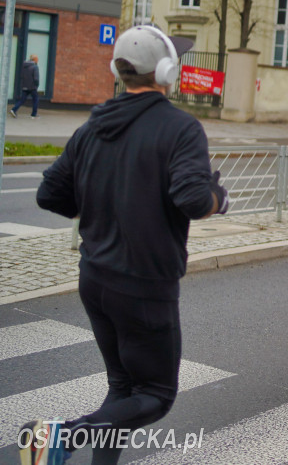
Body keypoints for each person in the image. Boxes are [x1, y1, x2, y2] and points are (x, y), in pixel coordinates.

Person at [25, 25, 229, 465]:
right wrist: (218, 196)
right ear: (166, 71)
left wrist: (95, 207)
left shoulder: (93, 125)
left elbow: (49, 195)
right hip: (144, 285)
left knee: (122, 389)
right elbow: (194, 200)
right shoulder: (180, 128)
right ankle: (64, 436)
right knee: (155, 394)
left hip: (95, 279)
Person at [9, 53, 40, 118]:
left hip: (25, 86)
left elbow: (21, 76)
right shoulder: (35, 67)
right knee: (35, 100)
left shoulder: (24, 66)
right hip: (32, 87)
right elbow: (36, 78)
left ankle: (13, 110)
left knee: (22, 100)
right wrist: (36, 85)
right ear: (34, 59)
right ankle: (33, 114)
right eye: (37, 59)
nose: (38, 60)